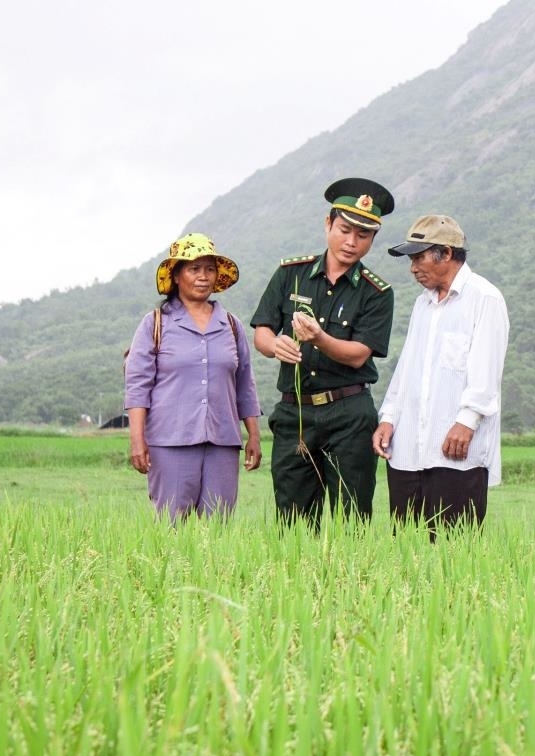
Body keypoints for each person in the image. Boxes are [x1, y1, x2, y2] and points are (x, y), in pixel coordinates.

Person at [250, 178, 396, 526]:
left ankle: (351, 580)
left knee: (352, 518)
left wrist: (318, 338)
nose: (351, 242)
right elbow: (262, 332)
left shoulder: (377, 292)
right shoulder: (290, 274)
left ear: (373, 239)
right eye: (345, 229)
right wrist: (274, 345)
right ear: (328, 224)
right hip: (295, 413)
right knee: (294, 522)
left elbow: (359, 353)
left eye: (363, 236)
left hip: (349, 413)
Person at [372, 215, 509, 539]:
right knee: (406, 544)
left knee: (452, 547)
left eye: (419, 257)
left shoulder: (484, 298)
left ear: (446, 253)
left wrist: (467, 421)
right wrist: (389, 417)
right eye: (411, 259)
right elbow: (407, 368)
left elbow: (487, 371)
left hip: (456, 450)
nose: (413, 267)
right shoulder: (423, 305)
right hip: (408, 449)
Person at [124, 233, 262, 521]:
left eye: (209, 269)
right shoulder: (155, 323)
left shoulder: (231, 325)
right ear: (176, 276)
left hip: (223, 441)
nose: (203, 277)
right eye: (194, 269)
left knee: (218, 527)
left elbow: (244, 384)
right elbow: (138, 385)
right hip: (169, 440)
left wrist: (254, 436)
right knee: (171, 527)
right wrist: (137, 439)